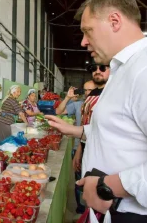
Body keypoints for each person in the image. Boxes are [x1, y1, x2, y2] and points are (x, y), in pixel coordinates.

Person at [46, 0, 147, 222]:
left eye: (87, 31)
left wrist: (107, 186)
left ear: (114, 21)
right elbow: (122, 131)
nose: (83, 41)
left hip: (140, 216)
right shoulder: (125, 71)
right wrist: (76, 130)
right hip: (116, 211)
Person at [55, 80, 96, 214]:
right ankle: (81, 209)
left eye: (90, 90)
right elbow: (58, 111)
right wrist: (67, 97)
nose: (87, 93)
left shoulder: (102, 105)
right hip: (79, 147)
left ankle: (93, 210)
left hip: (95, 149)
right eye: (85, 90)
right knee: (79, 180)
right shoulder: (79, 105)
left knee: (93, 180)